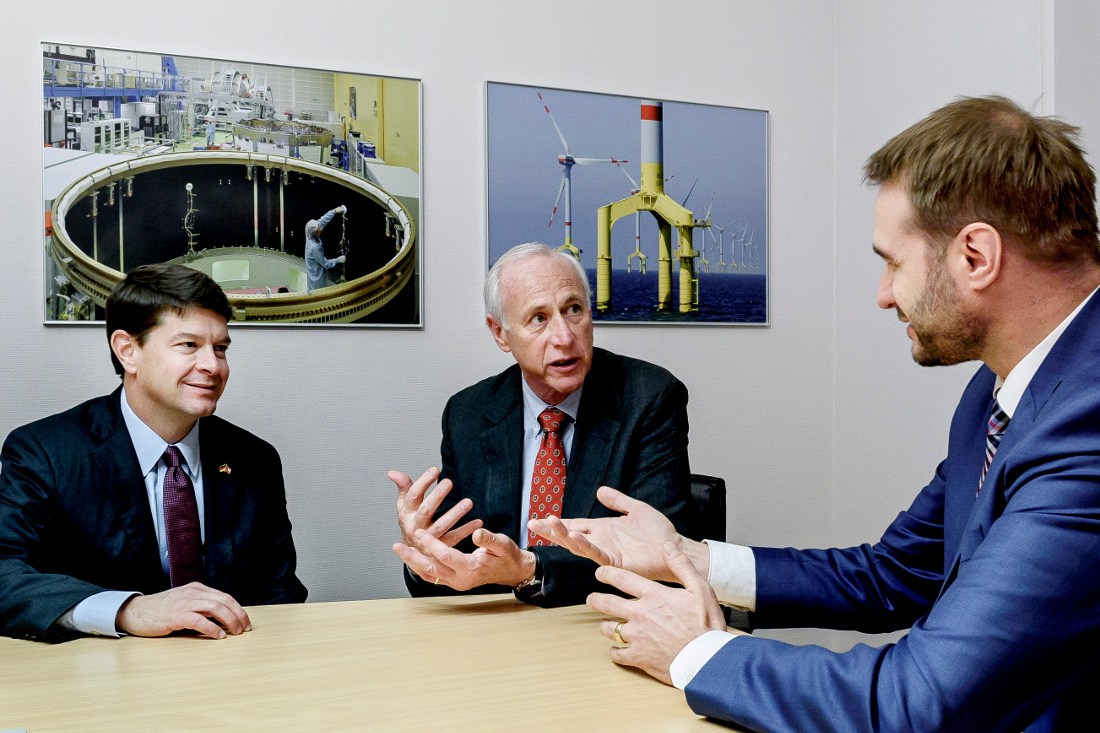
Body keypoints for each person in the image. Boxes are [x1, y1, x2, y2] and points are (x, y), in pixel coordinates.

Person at [531, 96, 1100, 732]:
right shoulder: (997, 393)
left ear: (976, 256)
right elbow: (894, 573)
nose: (883, 296)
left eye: (891, 261)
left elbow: (914, 706)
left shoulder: (1087, 426)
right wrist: (687, 558)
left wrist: (698, 653)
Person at [0, 264, 307, 643]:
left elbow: (279, 591)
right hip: (98, 681)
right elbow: (5, 573)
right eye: (189, 345)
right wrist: (126, 610)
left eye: (221, 348)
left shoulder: (253, 458)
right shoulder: (45, 452)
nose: (212, 366)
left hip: (230, 675)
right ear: (128, 351)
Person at [390, 242, 700, 607]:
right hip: (500, 628)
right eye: (538, 318)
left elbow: (661, 556)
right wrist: (424, 551)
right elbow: (457, 572)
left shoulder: (649, 398)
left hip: (602, 622)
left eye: (573, 310)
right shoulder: (469, 414)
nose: (565, 337)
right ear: (500, 333)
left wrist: (529, 569)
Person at [304, 206, 347, 293]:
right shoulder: (314, 247)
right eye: (319, 227)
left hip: (315, 270)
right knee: (317, 294)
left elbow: (323, 220)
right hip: (316, 278)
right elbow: (325, 264)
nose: (320, 226)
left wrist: (334, 211)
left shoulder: (310, 232)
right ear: (316, 233)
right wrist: (338, 260)